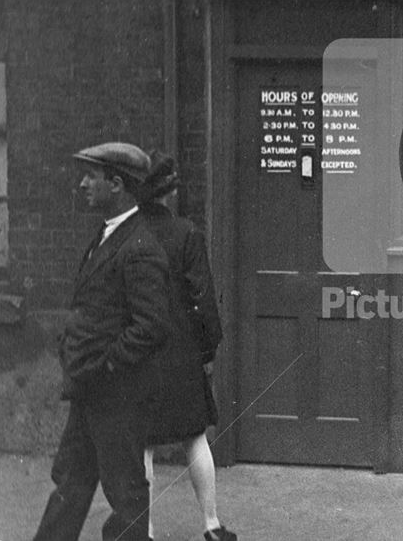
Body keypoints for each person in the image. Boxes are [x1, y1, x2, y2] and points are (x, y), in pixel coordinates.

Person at [33, 142, 170, 541]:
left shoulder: (140, 247)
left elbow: (152, 327)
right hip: (91, 391)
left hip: (118, 396)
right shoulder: (109, 236)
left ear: (116, 184)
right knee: (71, 484)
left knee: (125, 495)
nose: (82, 184)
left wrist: (107, 365)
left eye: (91, 176)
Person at [138, 152, 237, 541]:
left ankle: (142, 531)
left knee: (141, 446)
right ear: (172, 191)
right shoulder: (187, 234)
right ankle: (211, 525)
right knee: (195, 437)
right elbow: (203, 299)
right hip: (181, 355)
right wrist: (207, 351)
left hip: (140, 351)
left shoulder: (128, 235)